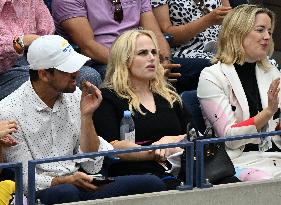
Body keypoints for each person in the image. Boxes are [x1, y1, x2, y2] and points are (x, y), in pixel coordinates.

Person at [0, 35, 166, 204]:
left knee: (152, 183)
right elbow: (25, 180)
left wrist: (87, 117)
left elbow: (92, 164)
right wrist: (63, 181)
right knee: (66, 192)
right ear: (44, 74)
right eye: (68, 69)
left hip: (79, 182)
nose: (77, 73)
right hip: (44, 192)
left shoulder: (74, 96)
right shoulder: (8, 111)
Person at [93, 29, 190, 186]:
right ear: (124, 59)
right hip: (136, 172)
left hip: (181, 166)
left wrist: (169, 141)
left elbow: (193, 134)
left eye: (154, 52)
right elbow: (111, 146)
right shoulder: (107, 97)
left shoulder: (168, 94)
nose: (152, 58)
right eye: (143, 53)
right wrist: (154, 152)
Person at [197, 4, 281, 181]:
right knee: (265, 183)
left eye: (269, 31)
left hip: (273, 156)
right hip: (237, 162)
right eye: (260, 30)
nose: (267, 37)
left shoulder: (271, 71)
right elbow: (230, 138)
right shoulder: (212, 77)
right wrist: (267, 113)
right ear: (238, 32)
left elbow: (276, 130)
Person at [0, 0, 55, 100]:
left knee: (88, 76)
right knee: (40, 86)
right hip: (4, 72)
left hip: (37, 62)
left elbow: (47, 33)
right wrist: (20, 42)